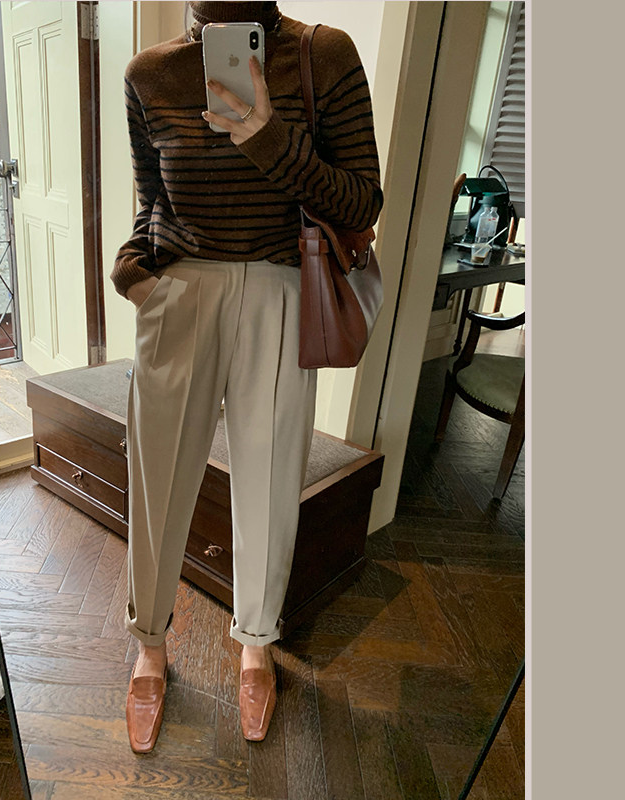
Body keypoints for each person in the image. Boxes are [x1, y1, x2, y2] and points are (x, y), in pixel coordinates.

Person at [110, 1, 383, 753]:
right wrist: (135, 275)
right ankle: (149, 645)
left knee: (269, 478)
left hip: (280, 289)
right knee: (158, 478)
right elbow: (151, 200)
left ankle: (256, 643)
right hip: (179, 292)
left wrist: (265, 135)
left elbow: (363, 201)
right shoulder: (148, 74)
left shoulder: (324, 55)